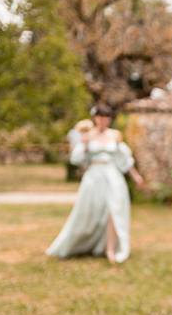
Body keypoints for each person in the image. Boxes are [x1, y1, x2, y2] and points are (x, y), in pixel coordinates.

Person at [46, 105, 145, 264]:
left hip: (113, 177)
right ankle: (80, 244)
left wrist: (136, 176)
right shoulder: (87, 135)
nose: (103, 120)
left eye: (106, 117)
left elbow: (124, 159)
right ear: (95, 118)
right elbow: (76, 160)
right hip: (94, 178)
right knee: (89, 213)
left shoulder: (115, 136)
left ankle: (110, 249)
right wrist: (84, 144)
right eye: (100, 117)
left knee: (114, 210)